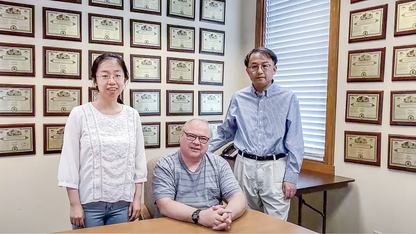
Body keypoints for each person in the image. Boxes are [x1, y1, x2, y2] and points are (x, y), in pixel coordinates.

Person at [209, 47, 304, 220]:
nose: (259, 71)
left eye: (265, 65)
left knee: (275, 224)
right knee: (245, 218)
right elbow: (226, 132)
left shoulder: (288, 98)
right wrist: (202, 150)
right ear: (247, 71)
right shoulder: (238, 98)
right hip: (244, 165)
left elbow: (295, 142)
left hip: (275, 168)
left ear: (274, 68)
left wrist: (291, 177)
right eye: (254, 66)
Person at [57, 53, 147, 229]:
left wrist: (137, 198)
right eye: (105, 75)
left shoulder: (132, 115)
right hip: (89, 206)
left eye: (117, 75)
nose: (111, 81)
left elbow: (139, 159)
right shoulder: (80, 114)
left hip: (123, 204)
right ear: (95, 80)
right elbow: (70, 161)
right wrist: (74, 204)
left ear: (125, 79)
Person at [153, 118, 246, 231]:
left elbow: (238, 197)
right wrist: (200, 216)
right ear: (181, 137)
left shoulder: (219, 164)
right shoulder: (166, 165)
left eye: (203, 139)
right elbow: (165, 205)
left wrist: (226, 216)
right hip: (174, 227)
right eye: (191, 136)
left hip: (212, 227)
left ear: (208, 143)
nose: (197, 142)